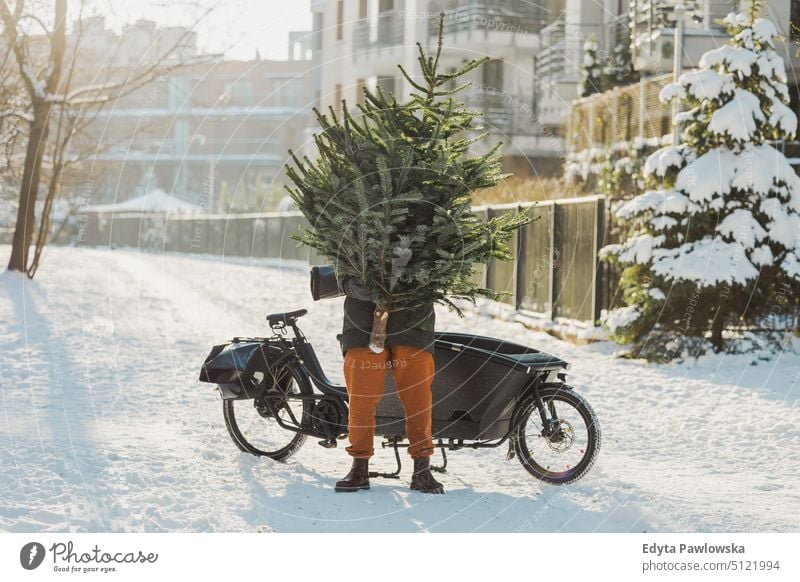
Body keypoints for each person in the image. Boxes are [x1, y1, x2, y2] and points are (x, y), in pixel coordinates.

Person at [334, 275, 445, 494]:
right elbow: (339, 259)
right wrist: (348, 284)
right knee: (361, 399)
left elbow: (441, 264)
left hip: (413, 323)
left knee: (418, 399)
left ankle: (422, 469)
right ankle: (359, 467)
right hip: (362, 323)